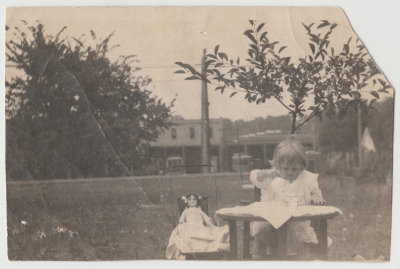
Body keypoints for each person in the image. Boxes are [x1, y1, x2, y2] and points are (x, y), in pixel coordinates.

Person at [250, 135, 324, 258]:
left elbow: (315, 190)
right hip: (272, 224)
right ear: (278, 166)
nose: (289, 172)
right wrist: (268, 172)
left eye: (294, 169)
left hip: (297, 224)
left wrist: (316, 197)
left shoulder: (306, 178)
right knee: (261, 228)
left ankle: (302, 259)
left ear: (302, 166)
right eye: (286, 168)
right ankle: (259, 257)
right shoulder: (273, 176)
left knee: (303, 237)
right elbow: (254, 176)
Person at [166, 194, 229, 259]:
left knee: (204, 234)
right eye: (189, 199)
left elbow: (206, 219)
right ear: (187, 202)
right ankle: (193, 247)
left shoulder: (199, 211)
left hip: (199, 226)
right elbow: (181, 221)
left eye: (194, 199)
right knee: (186, 235)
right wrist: (181, 226)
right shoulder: (185, 211)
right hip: (189, 226)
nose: (192, 201)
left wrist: (211, 225)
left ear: (197, 202)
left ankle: (202, 246)